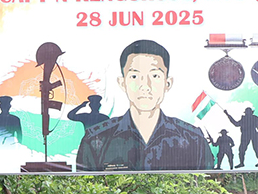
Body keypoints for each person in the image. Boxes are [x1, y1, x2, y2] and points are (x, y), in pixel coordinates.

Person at [74, 38, 214, 171]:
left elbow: (207, 190)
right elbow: (85, 191)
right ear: (123, 83)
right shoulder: (96, 140)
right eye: (134, 76)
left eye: (155, 76)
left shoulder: (193, 140)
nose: (145, 86)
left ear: (167, 83)